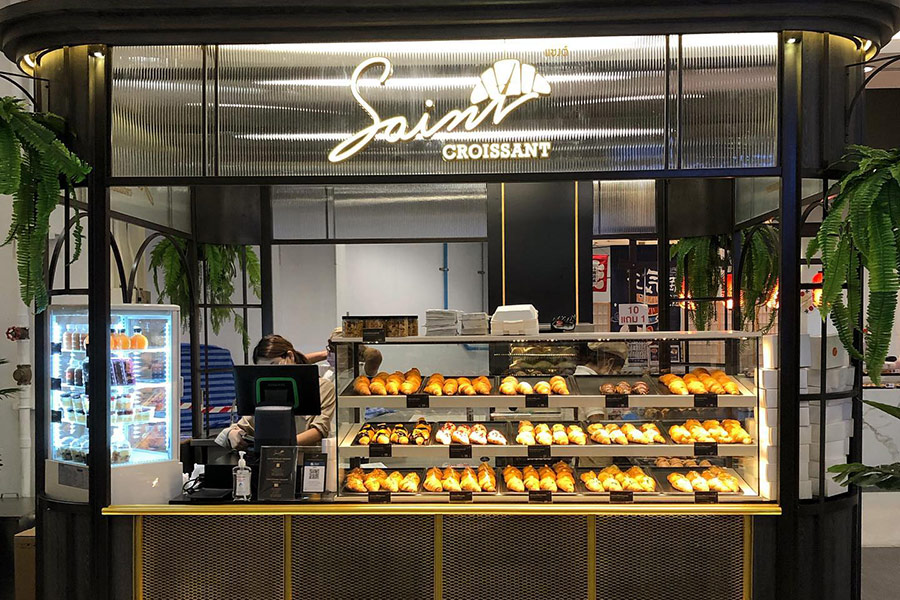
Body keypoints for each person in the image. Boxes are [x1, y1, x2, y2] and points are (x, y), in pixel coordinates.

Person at [215, 334, 336, 450]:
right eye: (264, 370)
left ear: (290, 356)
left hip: (306, 457)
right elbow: (244, 424)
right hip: (266, 458)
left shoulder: (322, 387)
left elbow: (320, 429)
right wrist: (233, 434)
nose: (271, 372)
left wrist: (282, 446)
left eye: (274, 365)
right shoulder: (264, 391)